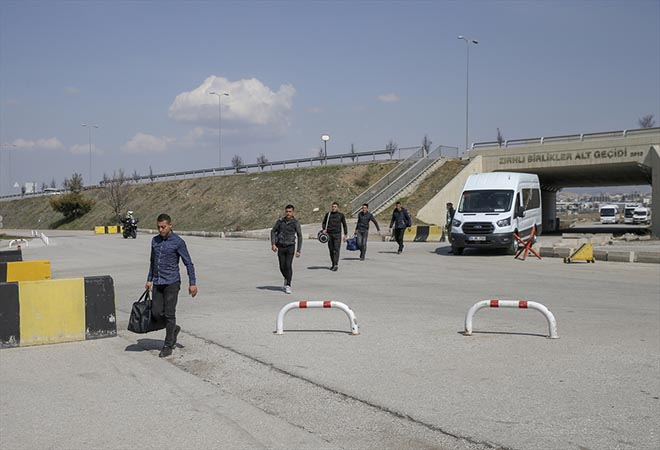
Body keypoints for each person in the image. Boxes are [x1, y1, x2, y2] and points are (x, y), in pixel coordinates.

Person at [145, 213, 197, 358]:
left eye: (163, 227)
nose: (160, 230)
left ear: (170, 226)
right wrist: (149, 280)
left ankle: (168, 344)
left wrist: (192, 283)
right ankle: (173, 328)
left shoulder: (178, 242)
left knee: (169, 313)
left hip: (172, 283)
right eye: (158, 227)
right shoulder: (154, 241)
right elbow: (152, 262)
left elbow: (188, 263)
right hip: (157, 282)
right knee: (155, 313)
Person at [271, 204, 302, 294]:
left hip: (290, 246)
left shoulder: (295, 222)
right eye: (287, 211)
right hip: (281, 246)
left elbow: (299, 236)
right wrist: (273, 244)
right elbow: (273, 231)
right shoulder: (280, 221)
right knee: (281, 266)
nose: (288, 213)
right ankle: (286, 278)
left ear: (293, 212)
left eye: (290, 212)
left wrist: (298, 250)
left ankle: (288, 284)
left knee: (288, 266)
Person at [321, 202, 348, 271]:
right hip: (329, 234)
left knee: (336, 249)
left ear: (338, 208)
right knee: (331, 250)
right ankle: (333, 263)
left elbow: (344, 225)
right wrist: (324, 229)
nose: (333, 208)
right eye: (333, 206)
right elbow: (324, 223)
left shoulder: (341, 215)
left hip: (337, 235)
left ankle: (336, 264)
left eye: (335, 207)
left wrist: (345, 234)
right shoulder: (328, 214)